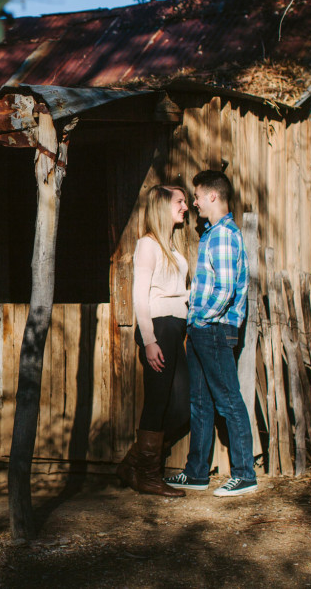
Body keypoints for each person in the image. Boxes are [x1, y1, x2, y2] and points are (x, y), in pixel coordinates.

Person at [165, 170, 256, 497]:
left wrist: (199, 318)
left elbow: (225, 289)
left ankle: (245, 474)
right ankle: (197, 473)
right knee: (199, 402)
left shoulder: (223, 235)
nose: (195, 203)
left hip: (214, 329)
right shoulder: (213, 234)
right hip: (205, 327)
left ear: (213, 196)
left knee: (228, 400)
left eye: (198, 196)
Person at [117, 184, 191, 497]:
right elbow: (140, 295)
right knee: (158, 403)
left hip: (176, 330)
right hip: (158, 329)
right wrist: (149, 339)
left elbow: (178, 292)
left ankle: (134, 464)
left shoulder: (172, 247)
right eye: (180, 201)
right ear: (162, 205)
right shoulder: (148, 245)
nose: (185, 207)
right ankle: (147, 474)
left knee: (184, 408)